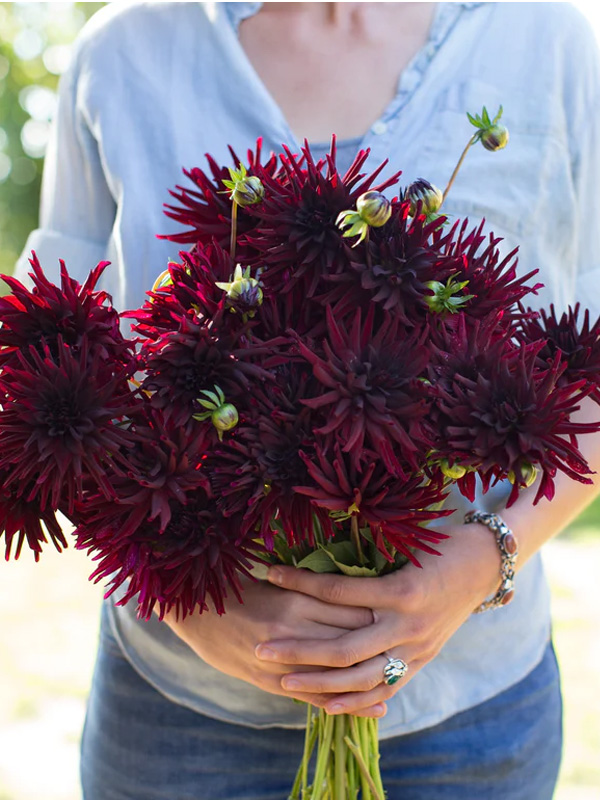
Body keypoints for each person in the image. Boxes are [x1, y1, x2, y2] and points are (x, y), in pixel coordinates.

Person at [14, 2, 600, 798]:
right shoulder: (122, 53)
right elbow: (50, 383)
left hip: (467, 715)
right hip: (182, 716)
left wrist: (479, 561)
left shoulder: (552, 43)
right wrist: (193, 603)